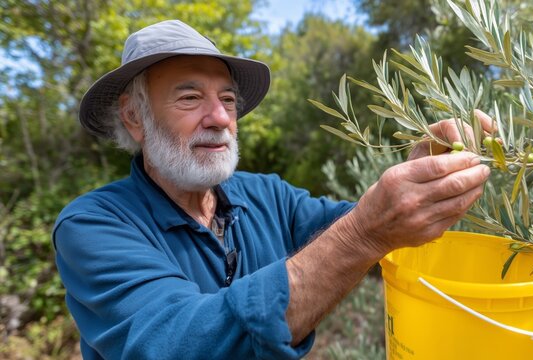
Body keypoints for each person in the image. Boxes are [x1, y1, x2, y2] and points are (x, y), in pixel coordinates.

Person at [53, 20, 492, 359]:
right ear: (134, 117)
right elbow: (185, 342)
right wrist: (366, 232)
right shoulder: (93, 226)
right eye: (190, 98)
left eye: (227, 100)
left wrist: (419, 174)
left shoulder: (265, 195)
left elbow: (359, 225)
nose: (220, 118)